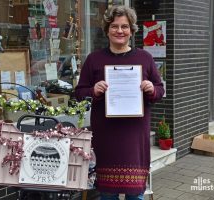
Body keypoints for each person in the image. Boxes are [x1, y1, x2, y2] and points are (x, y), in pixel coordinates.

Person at [75, 5, 164, 200]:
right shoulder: (94, 59)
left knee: (135, 194)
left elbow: (160, 90)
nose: (120, 31)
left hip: (135, 135)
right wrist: (93, 90)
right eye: (114, 26)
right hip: (107, 136)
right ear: (107, 30)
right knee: (107, 194)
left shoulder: (145, 58)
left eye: (125, 26)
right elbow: (79, 93)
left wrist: (151, 89)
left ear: (132, 30)